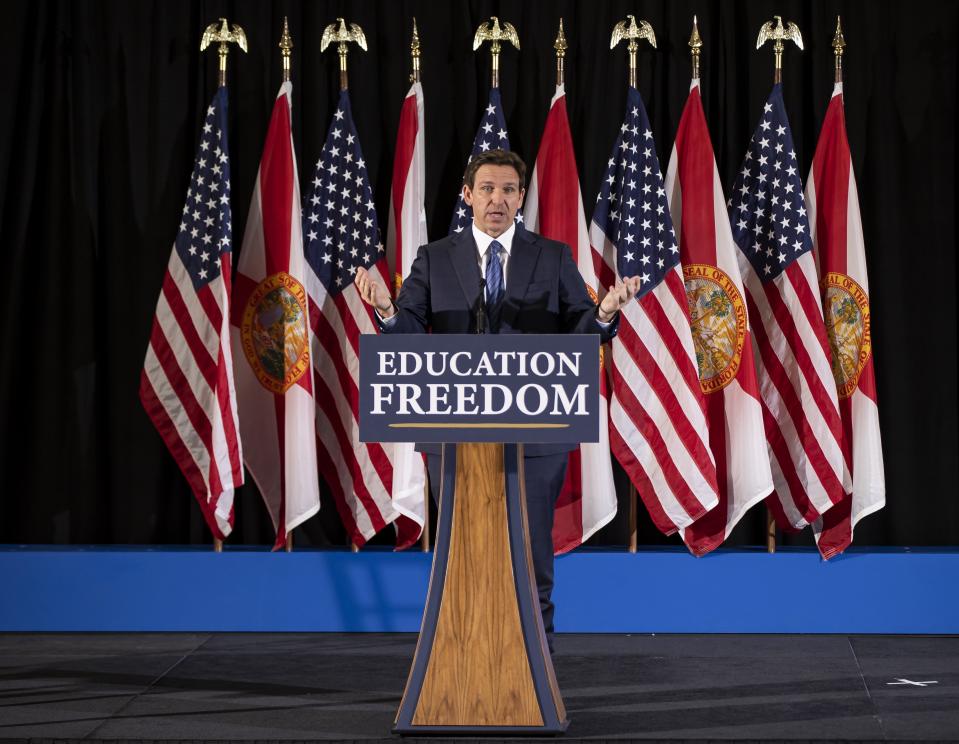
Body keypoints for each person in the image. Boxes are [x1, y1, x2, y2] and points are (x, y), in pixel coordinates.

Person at [355, 149, 640, 649]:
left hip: (536, 437)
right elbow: (409, 331)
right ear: (467, 196)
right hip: (453, 434)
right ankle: (461, 664)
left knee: (530, 555)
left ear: (521, 199)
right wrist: (385, 312)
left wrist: (603, 314)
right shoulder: (435, 258)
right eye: (486, 188)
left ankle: (536, 669)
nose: (497, 199)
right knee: (463, 553)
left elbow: (580, 330)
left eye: (508, 190)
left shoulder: (552, 257)